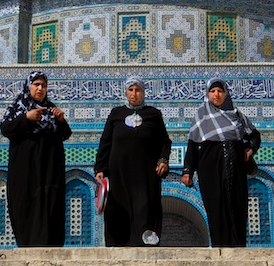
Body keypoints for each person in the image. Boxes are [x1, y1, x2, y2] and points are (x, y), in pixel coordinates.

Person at [181, 77, 261, 247]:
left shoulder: (236, 114)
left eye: (219, 91)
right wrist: (187, 170)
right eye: (212, 91)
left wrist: (250, 149)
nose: (216, 94)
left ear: (225, 94)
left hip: (236, 168)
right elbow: (193, 145)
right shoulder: (201, 116)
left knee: (237, 204)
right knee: (216, 206)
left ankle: (238, 245)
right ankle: (220, 245)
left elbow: (254, 135)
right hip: (210, 168)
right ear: (208, 94)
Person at [94, 76, 171, 246]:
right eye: (131, 90)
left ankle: (146, 248)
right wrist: (100, 168)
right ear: (126, 92)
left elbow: (165, 141)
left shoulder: (153, 114)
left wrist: (163, 160)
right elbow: (105, 142)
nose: (134, 94)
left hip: (145, 176)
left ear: (143, 93)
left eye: (138, 90)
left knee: (145, 210)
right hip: (118, 175)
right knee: (118, 213)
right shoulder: (116, 114)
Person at [0, 71, 72, 247]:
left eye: (43, 86)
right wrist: (26, 118)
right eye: (36, 84)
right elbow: (6, 128)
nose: (40, 89)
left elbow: (65, 134)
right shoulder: (19, 107)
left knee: (51, 203)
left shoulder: (51, 109)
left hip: (50, 168)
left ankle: (51, 244)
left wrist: (61, 121)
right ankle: (28, 244)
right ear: (28, 86)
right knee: (27, 202)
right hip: (26, 168)